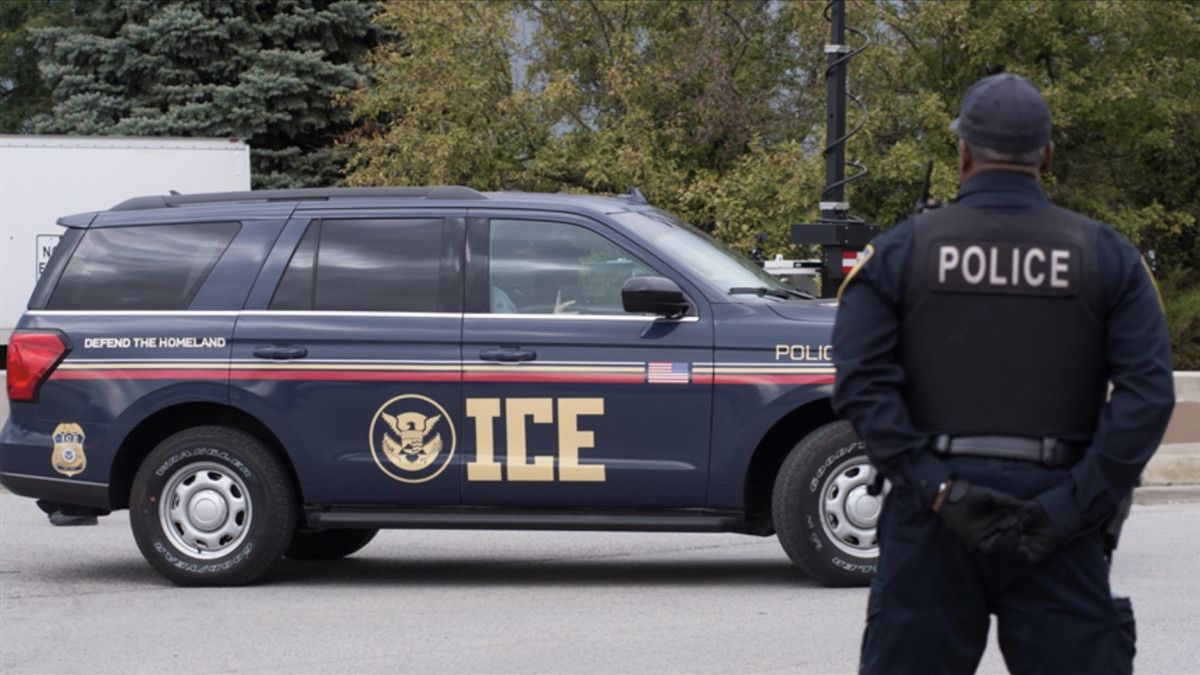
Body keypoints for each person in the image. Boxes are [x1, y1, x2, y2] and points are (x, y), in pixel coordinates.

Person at [831, 73, 1176, 674]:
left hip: (932, 524)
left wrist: (937, 488)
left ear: (963, 153)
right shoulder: (1107, 256)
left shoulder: (901, 254)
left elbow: (861, 382)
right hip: (1058, 522)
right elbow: (1146, 397)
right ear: (1047, 156)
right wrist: (1071, 507)